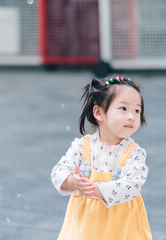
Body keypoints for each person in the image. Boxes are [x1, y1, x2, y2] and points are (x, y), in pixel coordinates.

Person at [51, 75, 152, 240]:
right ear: (99, 112)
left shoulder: (134, 153)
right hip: (86, 225)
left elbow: (132, 185)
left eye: (137, 110)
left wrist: (96, 190)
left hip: (122, 226)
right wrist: (71, 181)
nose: (132, 116)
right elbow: (58, 171)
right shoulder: (82, 146)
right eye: (123, 108)